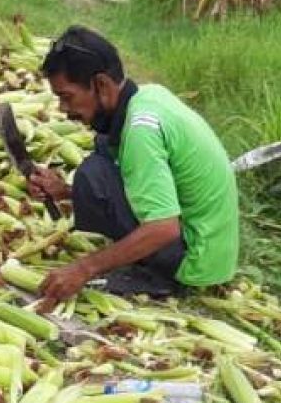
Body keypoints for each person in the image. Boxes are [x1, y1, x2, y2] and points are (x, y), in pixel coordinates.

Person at [28, 26, 238, 300]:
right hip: (211, 247)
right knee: (105, 148)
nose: (64, 110)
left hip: (193, 261)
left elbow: (164, 227)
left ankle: (160, 275)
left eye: (67, 97)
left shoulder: (141, 132)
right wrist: (65, 192)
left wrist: (84, 268)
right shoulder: (148, 96)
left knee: (93, 176)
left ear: (101, 85)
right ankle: (147, 256)